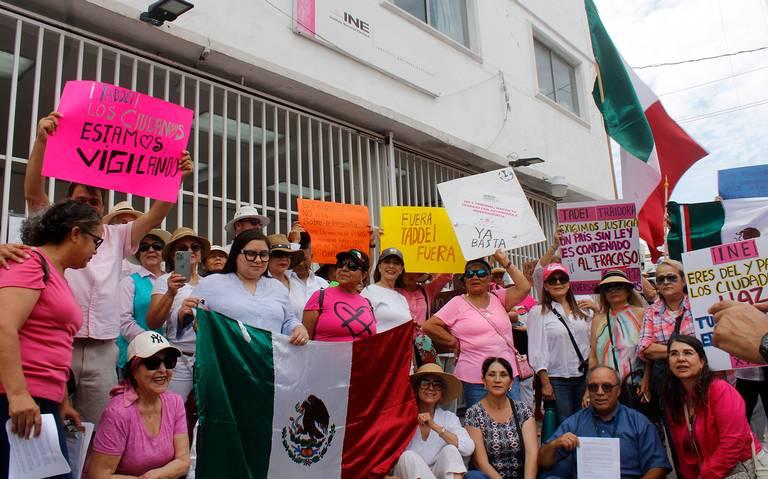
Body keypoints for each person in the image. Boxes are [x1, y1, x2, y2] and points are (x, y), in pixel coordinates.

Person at [18, 112, 193, 424]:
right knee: (48, 425)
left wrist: (174, 176)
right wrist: (41, 142)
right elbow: (33, 194)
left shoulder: (117, 236)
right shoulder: (53, 234)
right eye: (83, 201)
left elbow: (154, 216)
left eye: (96, 202)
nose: (91, 206)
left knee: (96, 430)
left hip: (102, 351)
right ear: (67, 205)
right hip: (58, 345)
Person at [0, 200, 102, 478]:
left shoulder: (56, 274)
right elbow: (4, 325)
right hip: (17, 401)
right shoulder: (30, 262)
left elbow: (52, 341)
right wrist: (18, 394)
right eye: (96, 241)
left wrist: (61, 401)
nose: (96, 250)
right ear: (76, 233)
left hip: (43, 403)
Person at [424, 251, 530, 407]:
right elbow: (429, 325)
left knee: (512, 422)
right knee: (480, 425)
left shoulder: (499, 298)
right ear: (464, 280)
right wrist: (453, 342)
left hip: (506, 373)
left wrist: (506, 262)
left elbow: (524, 287)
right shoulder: (457, 303)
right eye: (470, 274)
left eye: (481, 273)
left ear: (489, 279)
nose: (475, 277)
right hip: (475, 377)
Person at [663, 335, 768, 479]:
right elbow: (683, 453)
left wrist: (705, 475)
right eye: (674, 354)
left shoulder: (720, 389)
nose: (680, 358)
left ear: (702, 362)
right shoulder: (674, 399)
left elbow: (731, 444)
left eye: (688, 353)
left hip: (740, 469)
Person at [538, 366, 670, 479]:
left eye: (607, 387)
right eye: (593, 387)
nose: (600, 392)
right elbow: (543, 461)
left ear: (618, 391)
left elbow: (658, 467)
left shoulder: (638, 422)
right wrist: (555, 444)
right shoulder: (575, 422)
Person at [89, 331, 190, 479]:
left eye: (169, 361)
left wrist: (157, 475)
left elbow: (183, 461)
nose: (163, 369)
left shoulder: (175, 403)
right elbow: (99, 475)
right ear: (134, 371)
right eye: (152, 363)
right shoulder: (118, 412)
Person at [192, 229, 309, 344]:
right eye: (251, 254)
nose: (258, 260)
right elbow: (191, 319)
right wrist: (188, 316)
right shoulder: (210, 284)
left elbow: (288, 320)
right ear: (236, 254)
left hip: (268, 360)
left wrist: (298, 328)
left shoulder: (278, 287)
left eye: (264, 255)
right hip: (225, 361)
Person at [146, 227, 210, 403]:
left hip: (207, 359)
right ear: (174, 255)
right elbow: (152, 322)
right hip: (179, 359)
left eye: (195, 247)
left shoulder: (210, 284)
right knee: (173, 410)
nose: (189, 251)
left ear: (200, 253)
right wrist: (171, 293)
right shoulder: (164, 281)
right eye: (182, 248)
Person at [527, 263, 591, 425]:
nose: (558, 283)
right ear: (546, 286)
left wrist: (597, 309)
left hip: (585, 376)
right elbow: (536, 349)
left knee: (586, 421)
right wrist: (545, 383)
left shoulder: (584, 306)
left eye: (562, 279)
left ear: (569, 283)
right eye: (552, 280)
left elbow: (596, 337)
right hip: (557, 379)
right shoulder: (538, 312)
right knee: (566, 424)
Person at [390, 363, 474, 479]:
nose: (430, 388)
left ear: (442, 393)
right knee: (408, 457)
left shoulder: (448, 418)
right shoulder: (403, 417)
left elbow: (468, 448)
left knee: (451, 451)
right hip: (408, 474)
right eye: (425, 383)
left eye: (437, 385)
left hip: (437, 473)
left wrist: (435, 426)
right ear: (416, 389)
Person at [637, 259, 694, 422]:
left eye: (671, 277)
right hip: (668, 386)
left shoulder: (699, 304)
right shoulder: (651, 311)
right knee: (676, 432)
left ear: (683, 281)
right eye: (661, 279)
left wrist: (663, 350)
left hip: (700, 384)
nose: (666, 282)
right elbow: (644, 349)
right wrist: (689, 349)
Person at [464, 357, 538, 479]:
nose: (497, 380)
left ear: (511, 382)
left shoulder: (523, 410)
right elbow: (480, 463)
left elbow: (532, 454)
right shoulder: (474, 413)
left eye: (503, 375)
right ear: (484, 380)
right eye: (492, 375)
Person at [587, 270, 647, 410]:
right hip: (605, 389)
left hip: (635, 386)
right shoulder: (598, 320)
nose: (613, 291)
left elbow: (647, 352)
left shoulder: (641, 314)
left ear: (627, 290)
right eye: (608, 288)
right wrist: (588, 389)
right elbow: (594, 357)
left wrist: (646, 381)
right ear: (604, 294)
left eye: (618, 286)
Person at [117, 228, 171, 371]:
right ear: (138, 253)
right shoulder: (129, 282)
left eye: (157, 246)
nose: (151, 250)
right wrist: (153, 344)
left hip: (170, 358)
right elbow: (124, 321)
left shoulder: (173, 280)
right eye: (144, 247)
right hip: (138, 357)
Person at [303, 249, 376, 341]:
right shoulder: (319, 297)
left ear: (364, 275)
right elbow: (305, 343)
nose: (344, 269)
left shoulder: (367, 303)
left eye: (352, 266)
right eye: (340, 264)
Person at [399, 272, 452, 366]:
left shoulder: (426, 291)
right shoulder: (394, 292)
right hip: (402, 344)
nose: (411, 275)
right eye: (407, 272)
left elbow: (446, 276)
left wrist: (433, 269)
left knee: (429, 375)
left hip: (424, 343)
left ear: (420, 274)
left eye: (415, 272)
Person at [362, 248, 412, 333]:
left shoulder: (403, 298)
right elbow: (361, 326)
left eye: (396, 263)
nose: (391, 266)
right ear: (379, 267)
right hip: (377, 345)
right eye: (387, 262)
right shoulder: (369, 292)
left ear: (401, 269)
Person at [286, 231, 329, 319]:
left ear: (312, 256)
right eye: (297, 259)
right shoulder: (283, 280)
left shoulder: (323, 284)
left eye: (305, 259)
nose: (301, 263)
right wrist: (294, 242)